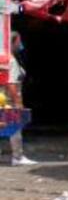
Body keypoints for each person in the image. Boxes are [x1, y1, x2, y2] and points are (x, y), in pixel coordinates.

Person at [7, 32, 33, 166]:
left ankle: (17, 156)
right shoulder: (11, 60)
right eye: (18, 41)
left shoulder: (7, 58)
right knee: (15, 128)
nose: (20, 44)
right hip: (10, 100)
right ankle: (17, 156)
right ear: (13, 42)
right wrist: (18, 103)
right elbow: (12, 84)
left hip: (5, 99)